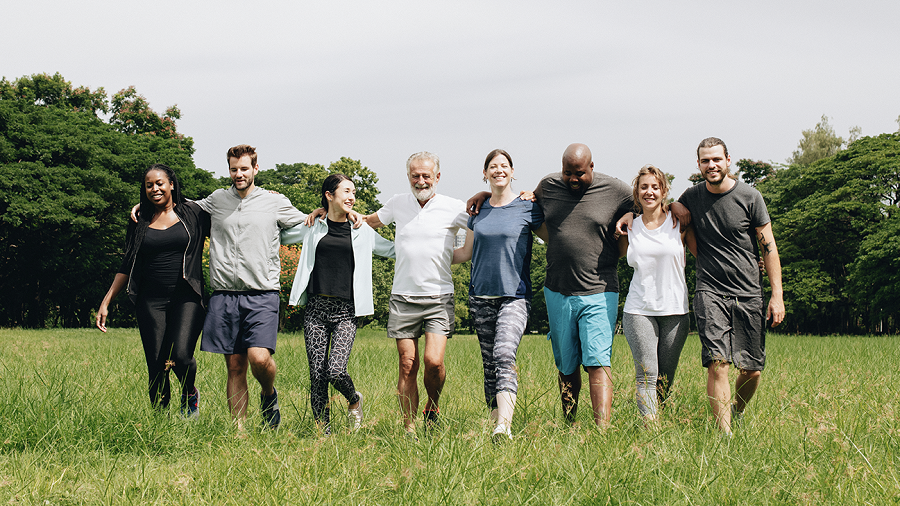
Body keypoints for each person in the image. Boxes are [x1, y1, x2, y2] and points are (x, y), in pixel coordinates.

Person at [468, 143, 633, 426]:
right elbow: (514, 203)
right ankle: (569, 424)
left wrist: (631, 213)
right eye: (568, 172)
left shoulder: (615, 189)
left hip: (599, 287)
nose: (573, 179)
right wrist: (485, 194)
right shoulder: (549, 185)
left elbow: (644, 200)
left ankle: (602, 431)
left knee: (597, 361)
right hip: (557, 288)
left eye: (579, 173)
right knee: (566, 365)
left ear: (591, 167)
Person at [673, 137, 784, 435]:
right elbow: (667, 208)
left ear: (728, 160)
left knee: (752, 369)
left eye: (716, 159)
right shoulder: (692, 196)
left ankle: (736, 410)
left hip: (749, 291)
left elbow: (769, 248)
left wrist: (777, 295)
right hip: (709, 289)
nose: (711, 165)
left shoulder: (751, 197)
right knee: (718, 362)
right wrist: (674, 204)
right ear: (698, 164)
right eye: (705, 161)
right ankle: (724, 436)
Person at [361, 152, 468, 438]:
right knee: (407, 363)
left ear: (438, 177)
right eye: (415, 175)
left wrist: (456, 255)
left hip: (439, 296)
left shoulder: (454, 207)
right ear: (409, 176)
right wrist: (332, 210)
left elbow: (481, 224)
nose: (421, 181)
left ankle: (432, 406)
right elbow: (369, 221)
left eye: (426, 175)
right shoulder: (398, 203)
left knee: (434, 361)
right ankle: (409, 428)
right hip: (403, 296)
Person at [281, 174, 395, 435]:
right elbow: (281, 235)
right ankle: (324, 433)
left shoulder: (361, 230)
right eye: (346, 191)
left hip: (346, 311)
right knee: (317, 376)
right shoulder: (313, 224)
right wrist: (274, 202)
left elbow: (393, 250)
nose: (351, 197)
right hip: (316, 311)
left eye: (353, 192)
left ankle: (354, 399)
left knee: (334, 370)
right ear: (329, 195)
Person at [97, 164, 210, 417]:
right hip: (150, 300)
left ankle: (189, 391)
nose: (154, 188)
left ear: (171, 184)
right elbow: (128, 262)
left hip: (186, 297)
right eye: (149, 185)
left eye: (160, 183)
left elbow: (228, 213)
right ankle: (159, 423)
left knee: (181, 356)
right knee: (157, 366)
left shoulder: (193, 214)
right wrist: (107, 301)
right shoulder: (140, 221)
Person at [452, 149, 546, 442]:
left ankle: (504, 426)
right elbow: (466, 253)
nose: (499, 170)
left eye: (504, 166)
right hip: (480, 296)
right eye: (493, 166)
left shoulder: (528, 207)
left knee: (504, 354)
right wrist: (425, 259)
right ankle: (494, 424)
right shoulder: (477, 211)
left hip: (514, 297)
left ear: (513, 171)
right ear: (485, 173)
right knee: (489, 363)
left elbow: (554, 239)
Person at [617, 164, 694, 424]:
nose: (649, 192)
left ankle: (657, 417)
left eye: (655, 187)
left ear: (664, 191)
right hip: (639, 308)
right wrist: (627, 216)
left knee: (665, 377)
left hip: (675, 310)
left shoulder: (679, 223)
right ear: (637, 193)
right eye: (644, 187)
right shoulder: (629, 227)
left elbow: (703, 253)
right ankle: (650, 428)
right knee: (647, 373)